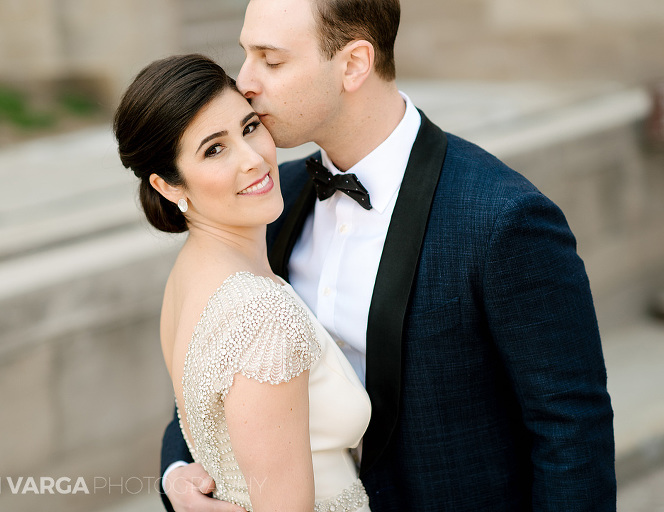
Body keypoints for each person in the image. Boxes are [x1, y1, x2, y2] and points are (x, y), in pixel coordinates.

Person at [160, 0, 617, 511]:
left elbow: (572, 430)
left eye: (271, 60)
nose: (244, 82)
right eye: (246, 54)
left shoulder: (502, 219)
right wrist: (179, 475)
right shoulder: (270, 200)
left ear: (354, 63)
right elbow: (218, 362)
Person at [114, 54, 372, 511]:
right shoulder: (258, 313)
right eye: (214, 149)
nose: (253, 160)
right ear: (169, 186)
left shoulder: (189, 274)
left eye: (250, 127)